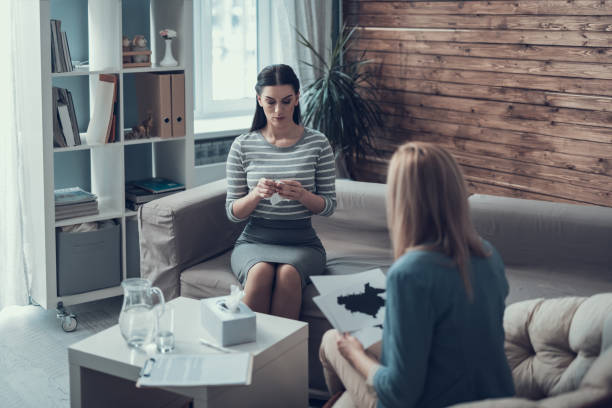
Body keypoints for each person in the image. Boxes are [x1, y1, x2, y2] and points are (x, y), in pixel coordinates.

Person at [319, 142, 515, 408]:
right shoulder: (487, 253)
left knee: (333, 341)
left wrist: (354, 356)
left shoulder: (409, 274)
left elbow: (399, 394)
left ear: (402, 200)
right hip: (493, 396)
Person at [225, 64, 336, 320]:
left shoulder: (318, 143)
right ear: (259, 100)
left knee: (287, 274)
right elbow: (233, 213)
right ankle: (250, 356)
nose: (278, 110)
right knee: (261, 272)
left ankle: (283, 356)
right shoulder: (242, 145)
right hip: (254, 240)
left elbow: (329, 206)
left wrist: (303, 196)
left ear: (297, 98)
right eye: (270, 102)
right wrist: (255, 195)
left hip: (303, 242)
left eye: (286, 101)